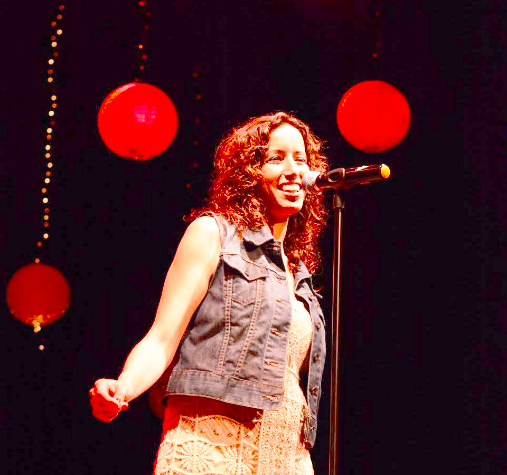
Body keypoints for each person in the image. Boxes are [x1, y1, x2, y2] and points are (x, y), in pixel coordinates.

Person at [89, 111, 330, 475]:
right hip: (213, 445)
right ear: (249, 171)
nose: (293, 170)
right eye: (276, 158)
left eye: (300, 159)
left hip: (288, 455)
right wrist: (123, 388)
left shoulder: (298, 272)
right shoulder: (213, 234)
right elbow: (162, 338)